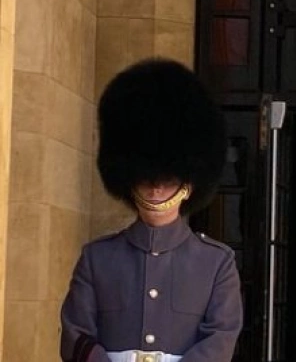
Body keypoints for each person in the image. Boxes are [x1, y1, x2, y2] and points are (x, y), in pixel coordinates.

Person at [59, 59, 243, 362]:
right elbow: (75, 336)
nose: (156, 189)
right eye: (146, 178)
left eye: (168, 179)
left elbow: (220, 340)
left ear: (188, 184)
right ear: (128, 178)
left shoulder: (216, 264)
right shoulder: (97, 258)